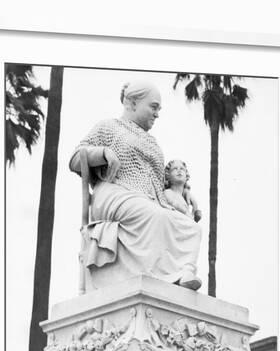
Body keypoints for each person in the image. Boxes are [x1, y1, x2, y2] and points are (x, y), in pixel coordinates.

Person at [69, 80, 202, 291]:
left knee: (191, 228)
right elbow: (76, 159)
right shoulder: (109, 127)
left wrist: (181, 198)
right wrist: (102, 153)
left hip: (150, 201)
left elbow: (161, 186)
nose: (157, 113)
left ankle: (182, 273)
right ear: (132, 103)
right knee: (155, 215)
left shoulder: (153, 142)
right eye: (153, 106)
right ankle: (160, 277)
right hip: (115, 192)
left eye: (159, 109)